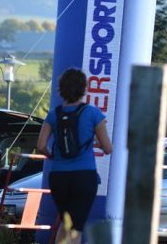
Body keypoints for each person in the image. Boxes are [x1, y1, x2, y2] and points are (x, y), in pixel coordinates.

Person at [35, 68, 113, 244]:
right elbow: (108, 148)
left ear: (61, 89)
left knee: (66, 223)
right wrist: (94, 142)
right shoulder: (93, 113)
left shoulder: (53, 114)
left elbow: (40, 146)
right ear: (83, 88)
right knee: (76, 227)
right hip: (84, 177)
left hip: (58, 176)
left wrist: (53, 156)